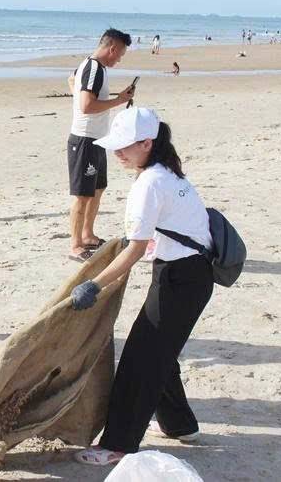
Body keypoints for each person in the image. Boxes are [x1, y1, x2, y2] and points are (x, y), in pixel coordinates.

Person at [71, 107, 215, 466]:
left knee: (140, 359)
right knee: (159, 352)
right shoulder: (167, 172)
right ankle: (181, 425)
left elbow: (135, 250)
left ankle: (119, 444)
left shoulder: (150, 182)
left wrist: (94, 285)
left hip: (181, 278)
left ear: (147, 143)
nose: (117, 152)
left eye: (124, 146)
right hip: (191, 274)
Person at [67, 28, 135, 261]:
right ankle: (76, 245)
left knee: (98, 188)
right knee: (82, 194)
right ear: (112, 47)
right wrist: (119, 100)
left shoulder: (94, 67)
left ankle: (87, 235)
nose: (120, 58)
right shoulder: (94, 68)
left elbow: (73, 81)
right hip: (84, 139)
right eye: (120, 54)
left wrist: (116, 98)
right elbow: (86, 106)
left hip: (97, 139)